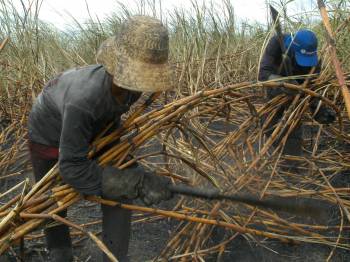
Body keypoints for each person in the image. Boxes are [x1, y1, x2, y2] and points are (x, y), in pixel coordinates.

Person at [27, 16, 174, 262]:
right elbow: (72, 168)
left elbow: (108, 119)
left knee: (120, 184)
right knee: (51, 200)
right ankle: (60, 253)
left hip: (91, 126)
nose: (140, 87)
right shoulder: (83, 101)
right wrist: (135, 183)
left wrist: (132, 172)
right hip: (47, 132)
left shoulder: (129, 91)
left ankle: (115, 257)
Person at [258, 29, 336, 158]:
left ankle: (291, 161)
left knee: (293, 124)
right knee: (268, 123)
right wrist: (284, 83)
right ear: (293, 49)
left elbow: (311, 90)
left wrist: (319, 111)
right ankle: (278, 151)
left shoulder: (314, 63)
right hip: (275, 86)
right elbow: (263, 74)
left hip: (298, 94)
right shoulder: (277, 43)